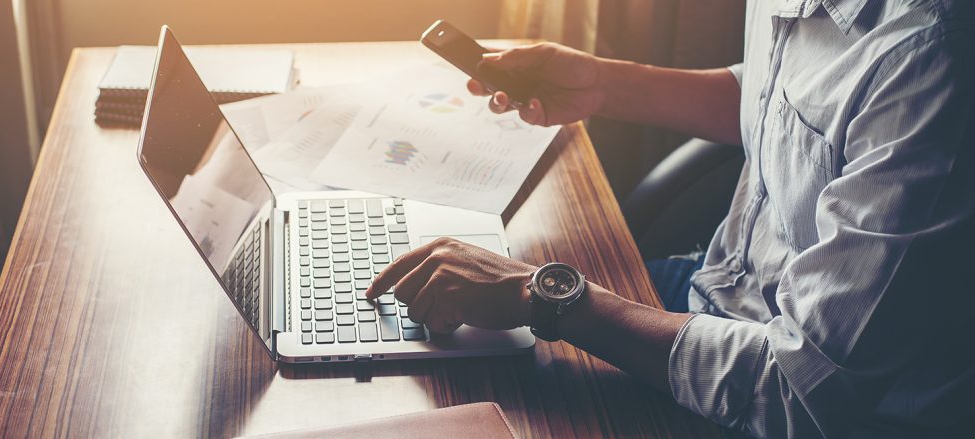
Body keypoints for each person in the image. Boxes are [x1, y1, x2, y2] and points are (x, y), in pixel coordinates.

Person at [366, 1, 975, 437]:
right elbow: (781, 95)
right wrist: (603, 83)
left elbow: (797, 394)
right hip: (715, 296)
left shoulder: (931, 56)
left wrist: (540, 296)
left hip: (796, 400)